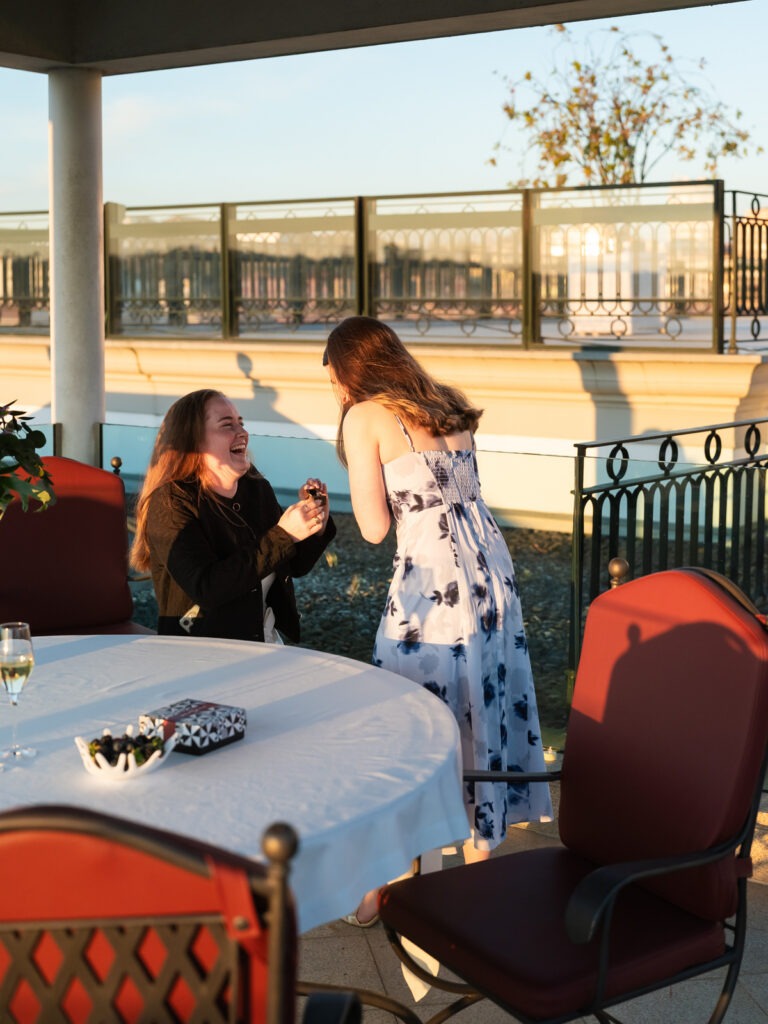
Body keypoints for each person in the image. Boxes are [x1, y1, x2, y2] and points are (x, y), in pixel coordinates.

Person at [324, 316, 552, 925]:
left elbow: (373, 527)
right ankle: (481, 881)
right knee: (482, 704)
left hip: (432, 588)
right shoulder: (445, 405)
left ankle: (389, 883)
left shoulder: (364, 416)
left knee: (405, 719)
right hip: (492, 580)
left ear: (348, 371)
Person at [131, 389, 335, 643]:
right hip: (200, 651)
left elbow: (291, 565)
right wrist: (284, 535)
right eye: (227, 425)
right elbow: (207, 587)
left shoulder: (255, 487)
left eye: (241, 423)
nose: (243, 433)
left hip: (263, 639)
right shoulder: (171, 502)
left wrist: (316, 525)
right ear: (192, 442)